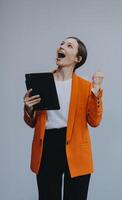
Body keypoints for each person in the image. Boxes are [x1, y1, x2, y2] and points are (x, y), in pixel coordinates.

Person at [23, 36, 104, 200]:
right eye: (61, 43)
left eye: (69, 45)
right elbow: (32, 122)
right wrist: (29, 108)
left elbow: (94, 122)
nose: (62, 46)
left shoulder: (85, 86)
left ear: (77, 58)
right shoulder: (42, 82)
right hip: (47, 146)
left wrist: (96, 91)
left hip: (77, 149)